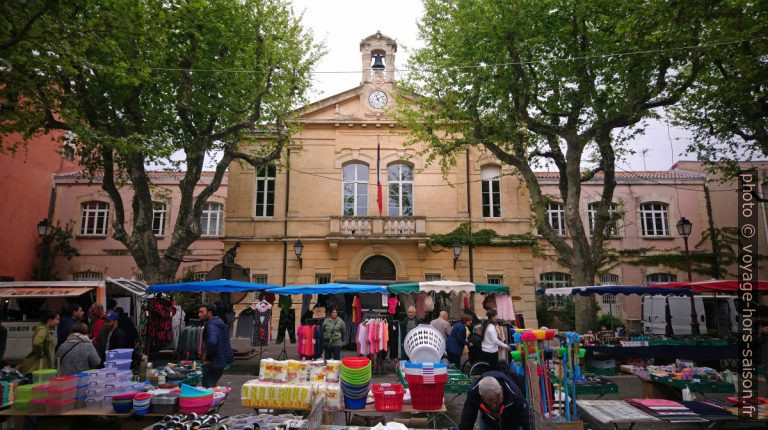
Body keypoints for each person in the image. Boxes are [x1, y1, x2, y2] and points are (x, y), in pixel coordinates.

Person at [459, 371, 530, 430]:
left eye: (496, 401)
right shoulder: (473, 393)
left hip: (511, 420)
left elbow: (525, 416)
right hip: (488, 421)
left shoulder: (514, 393)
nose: (493, 405)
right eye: (489, 402)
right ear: (481, 396)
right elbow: (467, 418)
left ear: (501, 390)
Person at [199, 303, 233, 388]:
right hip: (221, 360)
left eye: (202, 312)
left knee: (208, 387)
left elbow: (212, 342)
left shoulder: (211, 325)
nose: (199, 314)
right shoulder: (219, 322)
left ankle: (210, 401)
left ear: (209, 313)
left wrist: (207, 356)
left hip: (214, 362)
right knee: (211, 386)